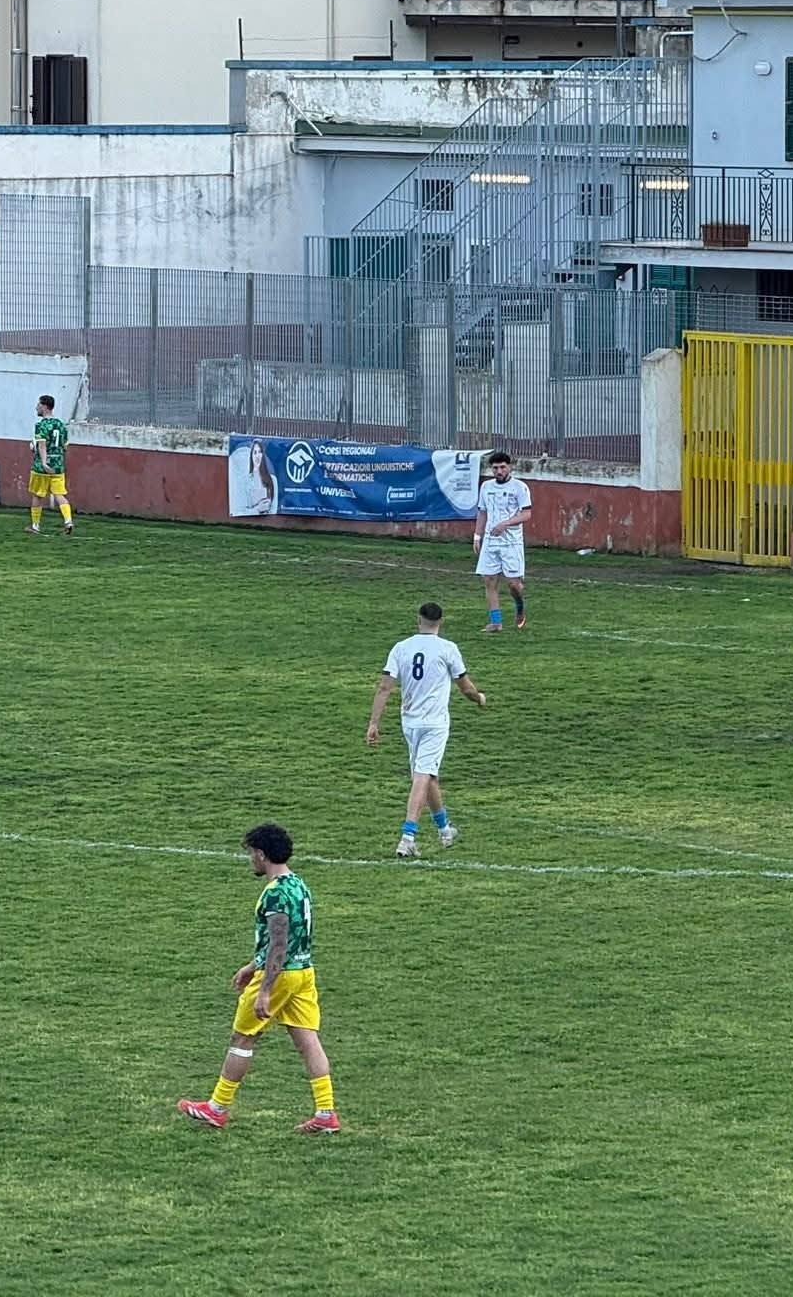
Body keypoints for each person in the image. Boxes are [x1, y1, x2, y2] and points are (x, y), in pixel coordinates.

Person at [177, 823, 340, 1134]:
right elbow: (291, 938)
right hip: (303, 973)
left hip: (280, 975)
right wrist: (252, 965)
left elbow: (279, 943)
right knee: (308, 1042)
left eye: (251, 853)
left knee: (242, 1038)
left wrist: (265, 989)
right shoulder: (298, 884)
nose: (250, 859)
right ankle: (325, 1112)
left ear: (262, 855)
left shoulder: (276, 894)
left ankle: (217, 1108)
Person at [368, 602, 486, 857]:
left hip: (409, 722)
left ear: (417, 620)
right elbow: (465, 687)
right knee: (422, 775)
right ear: (441, 621)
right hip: (434, 723)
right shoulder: (447, 649)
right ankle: (407, 836)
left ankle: (445, 830)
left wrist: (374, 723)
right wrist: (479, 698)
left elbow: (385, 687)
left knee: (427, 774)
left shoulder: (401, 648)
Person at [472, 450, 533, 633]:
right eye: (495, 468)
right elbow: (482, 512)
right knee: (489, 581)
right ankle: (496, 622)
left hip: (511, 543)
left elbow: (526, 514)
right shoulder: (486, 487)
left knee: (514, 585)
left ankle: (519, 606)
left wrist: (505, 524)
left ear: (509, 467)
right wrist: (477, 536)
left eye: (502, 467)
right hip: (491, 542)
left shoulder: (520, 488)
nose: (499, 471)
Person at [28, 394, 73, 536]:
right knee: (60, 494)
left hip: (42, 467)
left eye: (38, 405)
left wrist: (43, 462)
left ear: (44, 406)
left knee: (37, 495)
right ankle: (68, 521)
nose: (36, 407)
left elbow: (42, 445)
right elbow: (65, 446)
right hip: (58, 465)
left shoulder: (41, 425)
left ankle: (35, 526)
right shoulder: (61, 425)